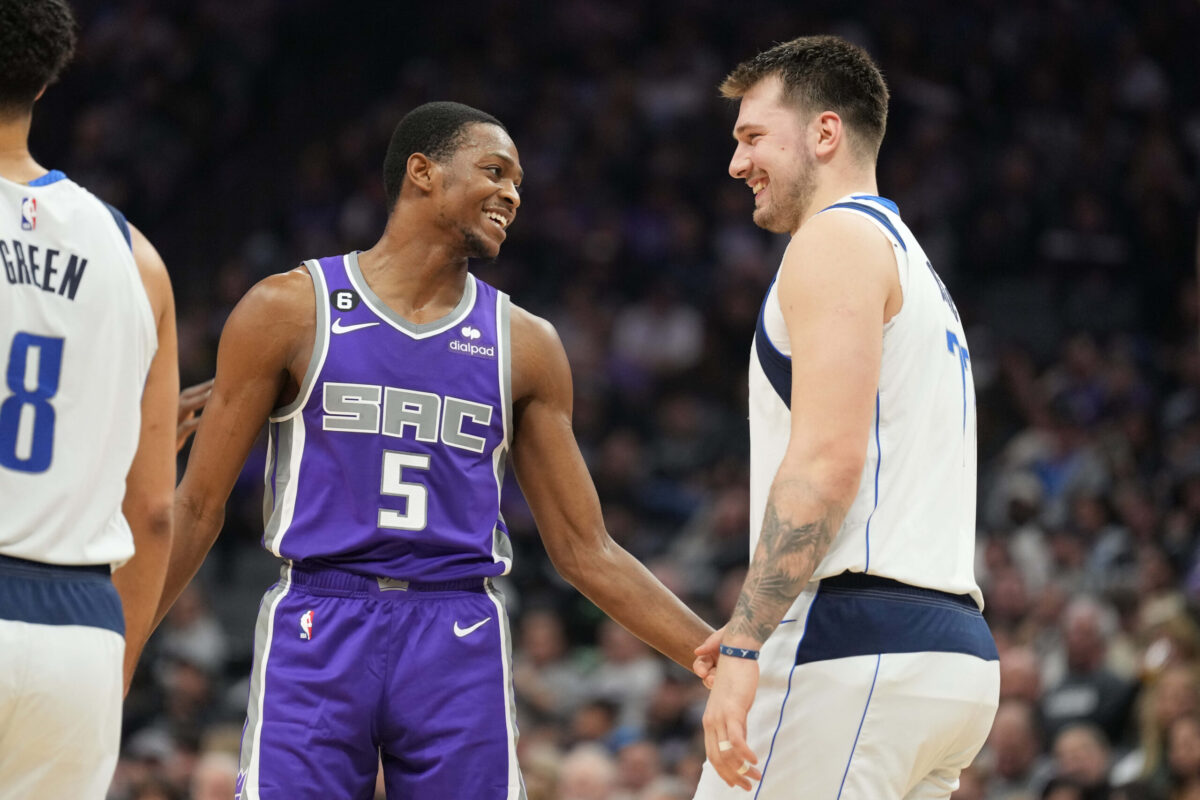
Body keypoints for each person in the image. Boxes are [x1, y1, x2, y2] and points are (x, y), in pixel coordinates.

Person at [151, 100, 714, 799]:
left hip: (457, 627)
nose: (512, 193)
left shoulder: (527, 344)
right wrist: (115, 645)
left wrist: (714, 656)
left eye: (518, 183)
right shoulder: (289, 308)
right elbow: (197, 508)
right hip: (320, 615)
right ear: (422, 172)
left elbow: (586, 548)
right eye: (494, 171)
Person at [692, 36, 1000, 797]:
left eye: (753, 136)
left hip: (852, 646)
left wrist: (744, 646)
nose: (737, 164)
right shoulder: (914, 266)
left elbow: (828, 462)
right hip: (950, 657)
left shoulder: (833, 241)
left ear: (824, 133)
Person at [0, 0, 179, 796]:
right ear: (43, 86)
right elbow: (154, 512)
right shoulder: (136, 258)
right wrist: (113, 665)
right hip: (78, 631)